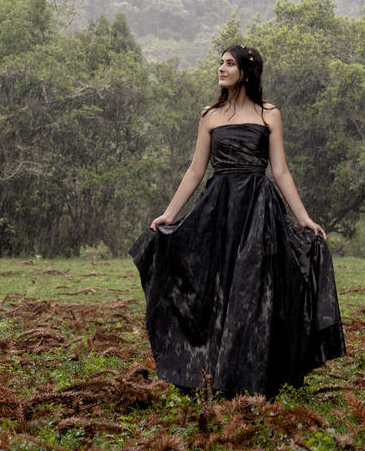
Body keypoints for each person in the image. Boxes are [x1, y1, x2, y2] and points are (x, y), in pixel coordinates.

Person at [129, 43, 345, 397]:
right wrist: (169, 213)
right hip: (219, 211)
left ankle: (253, 377)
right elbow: (196, 170)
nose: (222, 68)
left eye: (229, 63)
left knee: (252, 293)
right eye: (221, 62)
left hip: (260, 212)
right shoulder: (209, 115)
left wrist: (303, 218)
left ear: (247, 71)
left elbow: (281, 171)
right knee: (218, 290)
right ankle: (216, 373)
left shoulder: (269, 113)